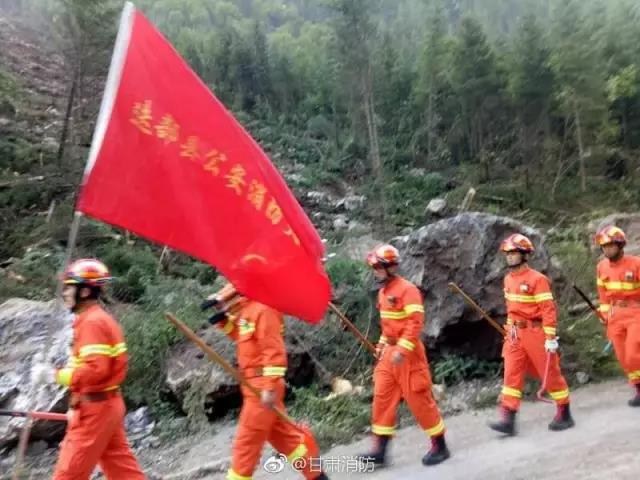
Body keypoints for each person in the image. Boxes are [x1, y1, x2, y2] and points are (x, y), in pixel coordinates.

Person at [31, 258, 145, 479]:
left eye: (68, 287)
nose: (64, 293)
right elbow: (94, 368)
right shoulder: (96, 319)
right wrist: (76, 403)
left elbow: (94, 371)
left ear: (83, 292)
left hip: (96, 410)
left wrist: (52, 375)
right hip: (104, 404)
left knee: (68, 474)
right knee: (123, 471)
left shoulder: (92, 323)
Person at [205, 282, 329, 480]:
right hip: (252, 384)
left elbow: (274, 351)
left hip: (262, 385)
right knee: (287, 440)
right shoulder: (248, 309)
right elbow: (242, 337)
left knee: (246, 443)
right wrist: (223, 320)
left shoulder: (264, 309)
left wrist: (269, 388)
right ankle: (318, 477)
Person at [359, 244, 450, 467]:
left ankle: (440, 446)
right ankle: (379, 450)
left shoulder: (408, 290)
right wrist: (382, 345)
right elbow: (388, 326)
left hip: (409, 355)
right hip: (389, 355)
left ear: (390, 267)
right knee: (382, 398)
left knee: (420, 401)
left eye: (378, 267)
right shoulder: (383, 293)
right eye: (374, 268)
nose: (375, 272)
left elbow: (415, 323)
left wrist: (402, 349)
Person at [489, 234, 574, 435]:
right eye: (507, 253)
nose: (510, 256)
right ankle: (508, 418)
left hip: (535, 331)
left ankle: (564, 412)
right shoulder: (507, 279)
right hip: (514, 332)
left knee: (550, 373)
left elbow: (548, 309)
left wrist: (550, 337)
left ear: (524, 255)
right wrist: (509, 332)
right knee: (511, 373)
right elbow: (511, 308)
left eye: (514, 253)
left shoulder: (538, 279)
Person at [595, 225, 640, 407]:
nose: (607, 250)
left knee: (632, 353)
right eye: (604, 246)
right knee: (623, 357)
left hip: (636, 312)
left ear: (620, 245)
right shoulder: (601, 267)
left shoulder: (636, 263)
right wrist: (605, 315)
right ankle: (638, 389)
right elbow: (603, 295)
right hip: (615, 316)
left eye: (610, 246)